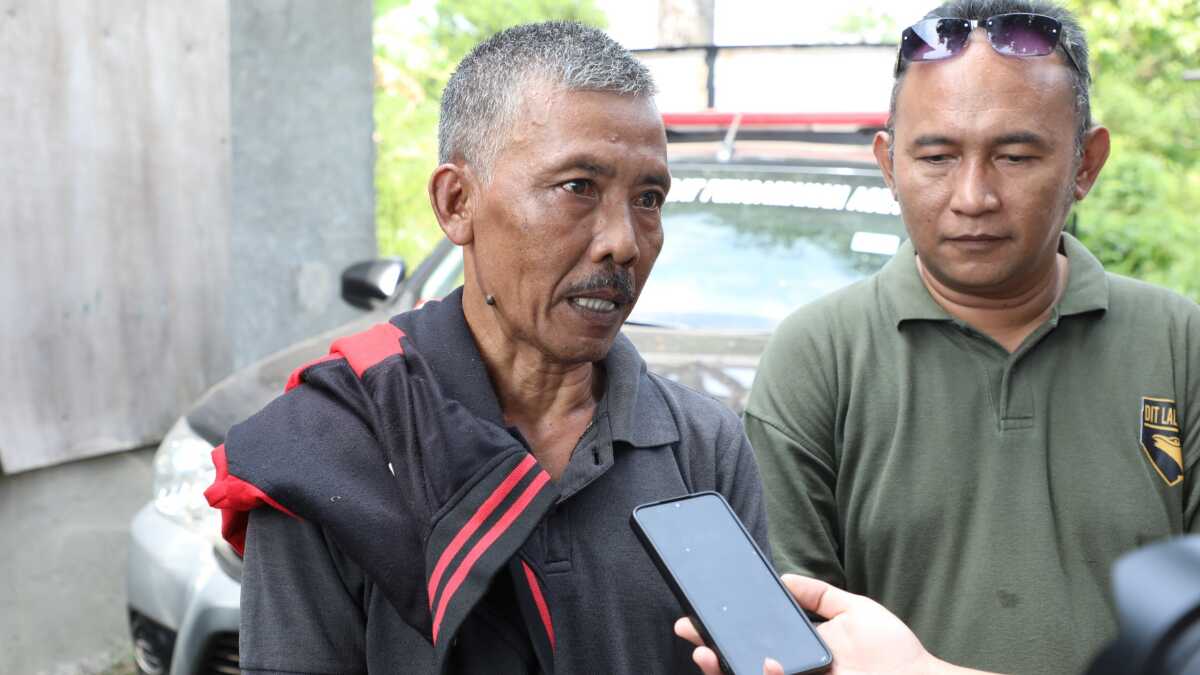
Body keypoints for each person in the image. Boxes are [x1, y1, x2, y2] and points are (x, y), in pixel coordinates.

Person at [204, 21, 769, 675]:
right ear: (457, 202)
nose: (623, 241)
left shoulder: (701, 445)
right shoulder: (331, 450)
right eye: (577, 187)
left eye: (648, 198)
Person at [686, 1, 1199, 673]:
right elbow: (795, 644)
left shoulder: (1178, 343)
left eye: (1015, 155)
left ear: (1086, 163)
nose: (973, 195)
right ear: (888, 162)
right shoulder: (819, 356)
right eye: (936, 155)